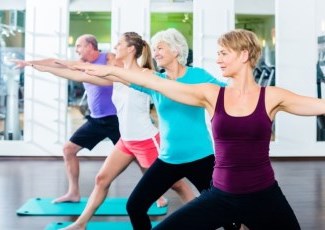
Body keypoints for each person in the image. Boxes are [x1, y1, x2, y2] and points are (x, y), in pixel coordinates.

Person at [73, 28, 312, 229]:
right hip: (220, 192)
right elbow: (154, 82)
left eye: (223, 53)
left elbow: (318, 105)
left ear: (243, 55)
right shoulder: (211, 92)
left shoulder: (270, 96)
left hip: (265, 194)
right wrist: (113, 70)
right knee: (142, 210)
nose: (218, 58)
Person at [70, 28, 242, 230]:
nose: (155, 53)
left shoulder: (198, 75)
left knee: (226, 208)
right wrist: (69, 67)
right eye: (155, 49)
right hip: (168, 159)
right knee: (135, 206)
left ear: (176, 51)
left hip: (201, 157)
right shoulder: (154, 80)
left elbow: (230, 94)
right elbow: (119, 75)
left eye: (160, 48)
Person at [28, 32, 195, 230]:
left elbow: (172, 87)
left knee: (177, 185)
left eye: (119, 44)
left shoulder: (146, 75)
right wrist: (44, 69)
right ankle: (80, 224)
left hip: (146, 141)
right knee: (101, 180)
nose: (115, 47)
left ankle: (204, 216)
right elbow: (78, 73)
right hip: (126, 141)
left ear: (131, 49)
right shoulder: (116, 75)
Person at [13, 34, 121, 203]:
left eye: (79, 46)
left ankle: (157, 195)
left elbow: (117, 75)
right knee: (68, 150)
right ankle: (73, 192)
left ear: (91, 46)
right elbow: (55, 62)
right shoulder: (81, 65)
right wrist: (29, 64)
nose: (76, 50)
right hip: (96, 120)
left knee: (138, 155)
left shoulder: (108, 57)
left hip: (116, 119)